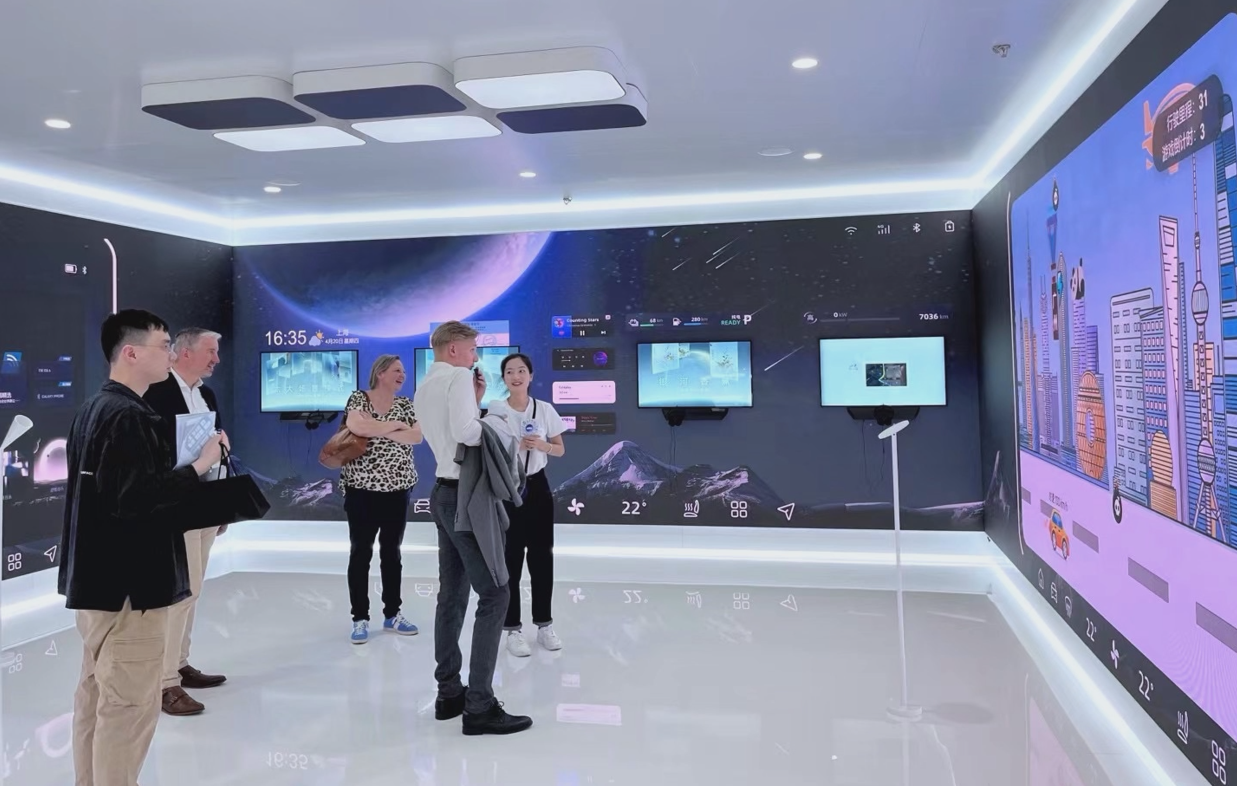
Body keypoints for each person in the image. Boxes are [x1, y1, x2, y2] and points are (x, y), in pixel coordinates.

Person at [59, 310, 224, 786]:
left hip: (97, 584)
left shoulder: (94, 409)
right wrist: (199, 466)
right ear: (131, 352)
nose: (171, 354)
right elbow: (137, 500)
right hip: (132, 589)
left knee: (97, 698)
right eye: (163, 345)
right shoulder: (129, 416)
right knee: (128, 708)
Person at [413, 321, 532, 736]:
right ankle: (479, 705)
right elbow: (466, 432)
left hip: (442, 493)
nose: (475, 357)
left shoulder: (426, 384)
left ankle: (449, 693)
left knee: (452, 595)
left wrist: (474, 402)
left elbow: (448, 432)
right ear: (452, 350)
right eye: (471, 350)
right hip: (467, 496)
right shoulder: (459, 377)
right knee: (496, 593)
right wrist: (495, 423)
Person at [143, 327, 228, 716]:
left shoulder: (206, 395)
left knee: (193, 591)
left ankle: (179, 663)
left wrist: (220, 505)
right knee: (178, 594)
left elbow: (215, 446)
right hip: (175, 504)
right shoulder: (157, 393)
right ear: (185, 352)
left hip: (204, 502)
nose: (216, 359)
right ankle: (164, 683)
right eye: (210, 351)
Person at [339, 354, 422, 644]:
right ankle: (360, 618)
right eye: (397, 370)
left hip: (398, 490)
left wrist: (379, 426)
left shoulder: (406, 404)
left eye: (404, 371)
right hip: (360, 490)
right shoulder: (358, 399)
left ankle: (392, 614)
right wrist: (396, 426)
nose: (403, 375)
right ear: (381, 373)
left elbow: (417, 437)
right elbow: (359, 428)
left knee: (392, 553)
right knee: (360, 552)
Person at [487, 353, 566, 657]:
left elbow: (560, 449)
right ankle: (512, 629)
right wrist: (515, 446)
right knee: (510, 558)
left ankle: (544, 625)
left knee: (542, 556)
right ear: (503, 378)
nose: (516, 376)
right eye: (509, 372)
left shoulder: (543, 409)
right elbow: (488, 452)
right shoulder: (496, 411)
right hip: (508, 488)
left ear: (531, 375)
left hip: (538, 486)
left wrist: (542, 445)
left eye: (521, 371)